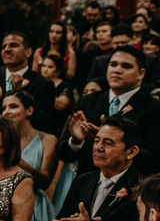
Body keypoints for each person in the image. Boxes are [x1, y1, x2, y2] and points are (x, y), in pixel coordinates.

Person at [51, 116, 149, 221]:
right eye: (96, 141)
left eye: (108, 143)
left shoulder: (143, 189)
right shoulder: (82, 181)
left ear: (131, 151)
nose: (98, 147)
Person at [60, 46, 160, 176]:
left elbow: (151, 159)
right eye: (113, 65)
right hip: (86, 184)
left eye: (126, 66)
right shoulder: (87, 102)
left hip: (130, 187)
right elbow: (63, 153)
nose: (117, 70)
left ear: (141, 73)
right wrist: (76, 142)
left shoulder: (153, 107)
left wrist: (112, 141)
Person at [2, 91, 58, 221]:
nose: (6, 112)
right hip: (3, 205)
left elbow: (45, 181)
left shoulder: (47, 139)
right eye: (4, 108)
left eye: (13, 106)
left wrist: (17, 160)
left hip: (34, 206)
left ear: (29, 111)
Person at [0, 31, 56, 129]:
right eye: (3, 47)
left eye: (13, 45)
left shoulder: (43, 84)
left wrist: (18, 95)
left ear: (28, 52)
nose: (7, 50)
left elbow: (42, 123)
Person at [37, 52, 76, 137]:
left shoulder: (65, 85)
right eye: (43, 66)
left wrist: (40, 95)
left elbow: (61, 105)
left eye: (50, 67)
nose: (45, 69)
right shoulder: (36, 83)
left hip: (55, 126)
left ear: (58, 71)